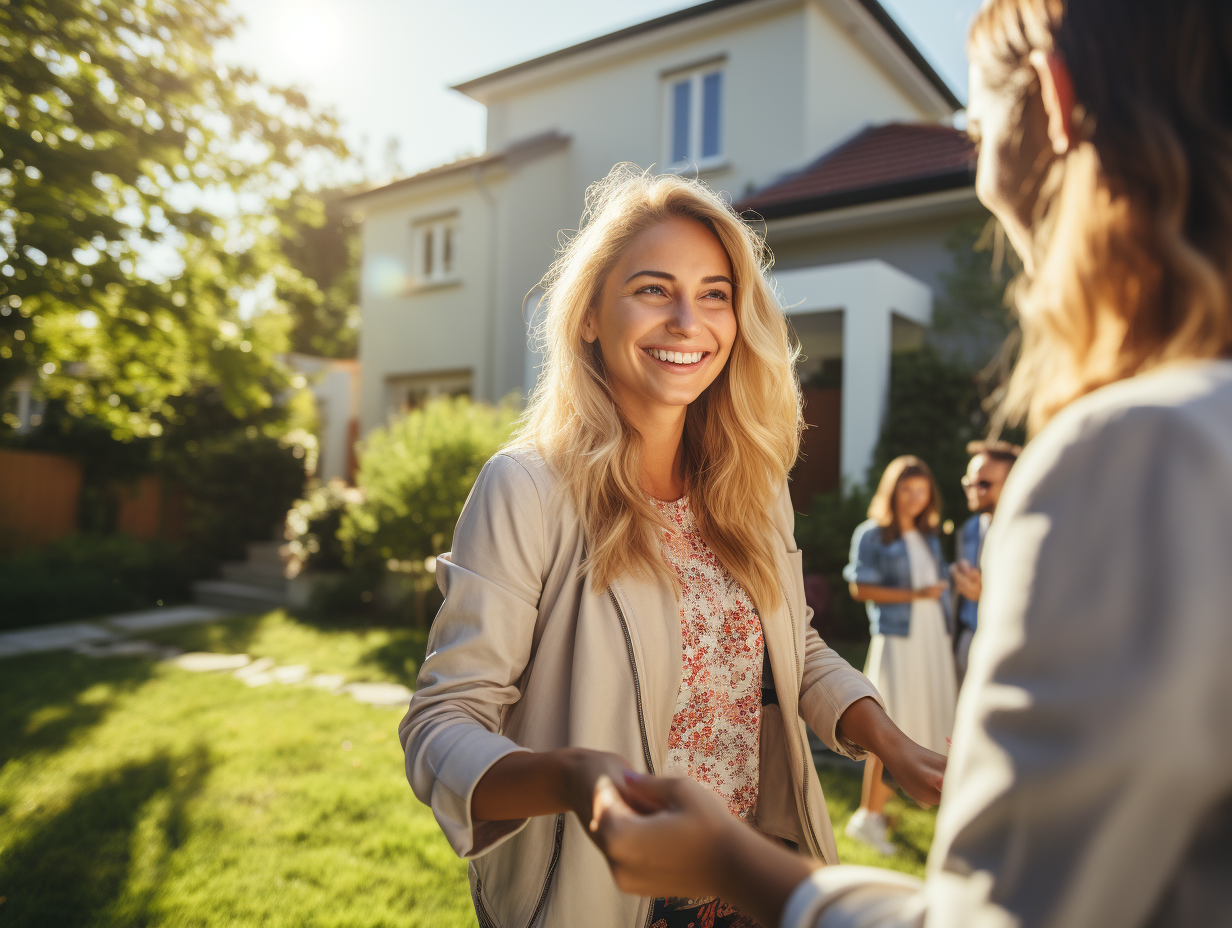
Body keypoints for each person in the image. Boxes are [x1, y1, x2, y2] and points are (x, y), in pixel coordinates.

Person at [587, 0, 1232, 925]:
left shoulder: (1140, 452)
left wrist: (731, 862)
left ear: (1051, 102)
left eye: (974, 129)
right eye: (655, 291)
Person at [399, 165, 945, 928]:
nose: (689, 320)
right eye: (654, 289)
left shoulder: (754, 486)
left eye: (714, 294)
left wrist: (889, 740)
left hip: (753, 891)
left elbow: (796, 647)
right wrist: (574, 780)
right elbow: (441, 724)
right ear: (590, 315)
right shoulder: (526, 487)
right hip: (602, 900)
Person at [840, 457, 956, 855]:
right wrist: (916, 595)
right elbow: (860, 588)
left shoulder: (930, 535)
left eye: (922, 491)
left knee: (932, 718)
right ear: (893, 491)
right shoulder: (872, 534)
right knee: (891, 725)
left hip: (932, 640)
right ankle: (866, 817)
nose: (915, 498)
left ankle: (887, 809)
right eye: (907, 490)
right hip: (899, 641)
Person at [950, 440, 1020, 685]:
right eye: (969, 482)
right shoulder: (968, 529)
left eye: (984, 484)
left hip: (1009, 646)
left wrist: (986, 594)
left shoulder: (1028, 534)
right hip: (967, 640)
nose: (973, 490)